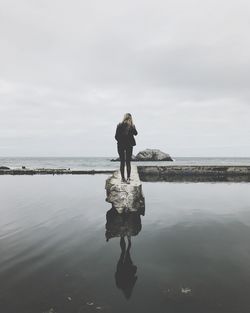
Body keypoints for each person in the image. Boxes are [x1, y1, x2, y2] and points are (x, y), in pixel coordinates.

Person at [115, 113, 138, 183]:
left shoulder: (119, 125)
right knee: (128, 162)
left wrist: (121, 141)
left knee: (122, 162)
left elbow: (116, 136)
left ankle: (122, 179)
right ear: (131, 118)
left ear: (124, 117)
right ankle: (128, 178)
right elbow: (136, 133)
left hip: (120, 145)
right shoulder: (132, 126)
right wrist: (133, 126)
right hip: (129, 145)